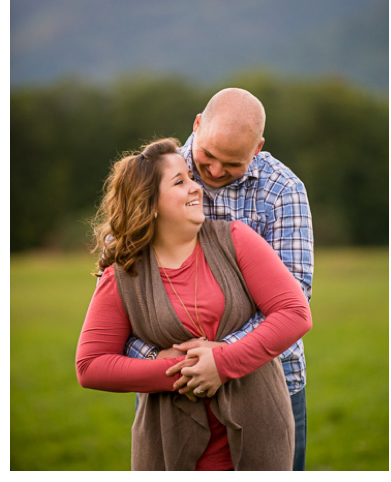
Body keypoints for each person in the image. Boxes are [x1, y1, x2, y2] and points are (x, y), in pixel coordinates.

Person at [76, 138, 312, 470]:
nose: (196, 187)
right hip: (168, 439)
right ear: (151, 203)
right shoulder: (124, 272)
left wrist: (222, 362)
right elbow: (90, 366)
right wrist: (181, 373)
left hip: (259, 429)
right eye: (180, 181)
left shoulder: (236, 238)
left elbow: (295, 313)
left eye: (190, 177)